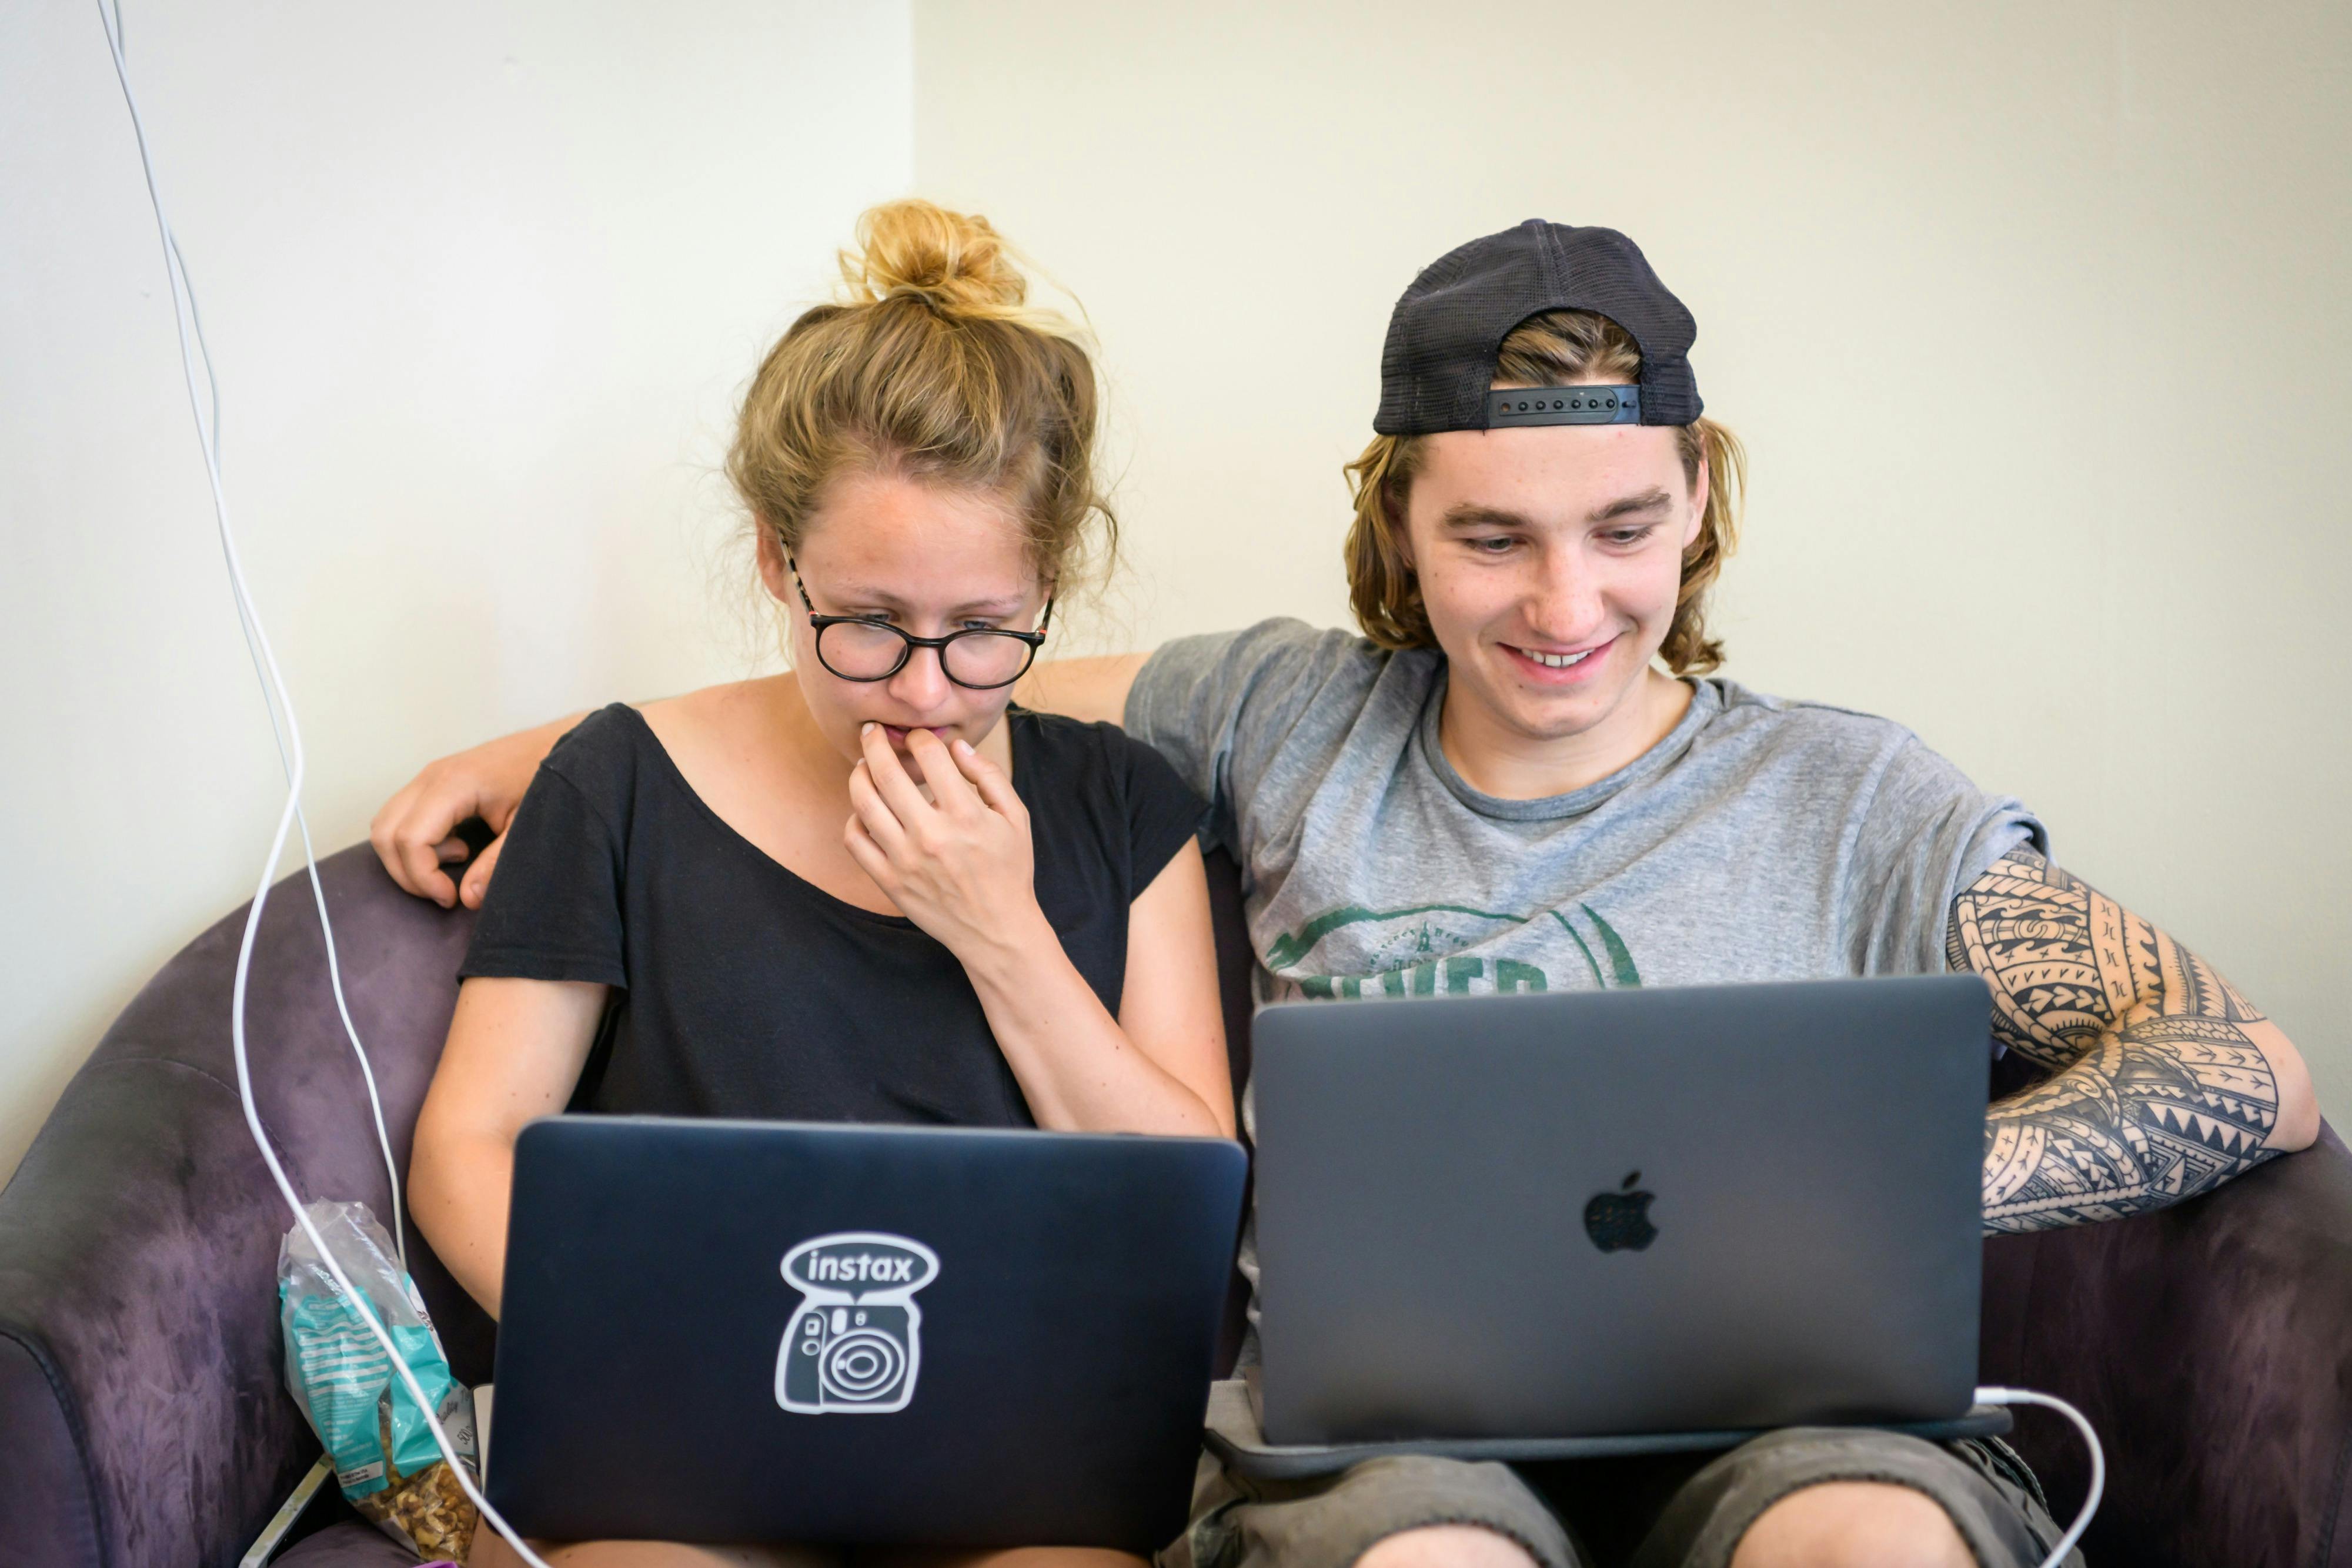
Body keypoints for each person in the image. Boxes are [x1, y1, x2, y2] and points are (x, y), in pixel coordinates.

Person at [377, 220, 2319, 1568]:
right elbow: (940, 676)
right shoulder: (1281, 714)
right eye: (1491, 536)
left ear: (1699, 500)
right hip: (1398, 1443)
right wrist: (543, 752)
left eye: (1624, 527)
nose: (1566, 603)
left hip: (1806, 1422)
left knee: (1873, 1537)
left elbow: (2251, 1063)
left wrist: (1889, 1184)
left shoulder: (1860, 797)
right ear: (1394, 517)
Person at [404, 199, 1234, 1568]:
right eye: (865, 622)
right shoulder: (615, 783)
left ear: (1047, 586)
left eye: (983, 630)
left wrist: (1000, 932)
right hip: (670, 1456)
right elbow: (469, 1141)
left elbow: (1182, 1207)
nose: (923, 690)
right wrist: (657, 1355)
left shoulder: (1122, 803)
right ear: (771, 560)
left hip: (1014, 1474)